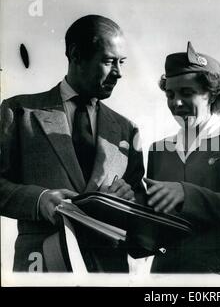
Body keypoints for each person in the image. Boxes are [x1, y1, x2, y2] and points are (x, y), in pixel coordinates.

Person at [0, 15, 145, 272]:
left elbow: (139, 203)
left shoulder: (126, 129)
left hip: (108, 270)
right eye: (109, 61)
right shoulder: (18, 111)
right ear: (76, 55)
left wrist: (123, 205)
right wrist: (40, 199)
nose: (119, 73)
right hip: (42, 268)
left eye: (122, 62)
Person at [144, 42, 220, 273]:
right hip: (164, 275)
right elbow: (153, 221)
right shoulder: (158, 150)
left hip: (219, 272)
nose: (176, 103)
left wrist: (185, 193)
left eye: (187, 93)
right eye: (170, 94)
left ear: (211, 94)